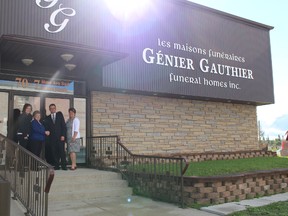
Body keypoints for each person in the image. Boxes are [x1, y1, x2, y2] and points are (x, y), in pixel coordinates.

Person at [44, 104, 67, 170]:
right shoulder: (47, 118)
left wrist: (63, 135)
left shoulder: (59, 115)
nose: (52, 109)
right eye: (51, 108)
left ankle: (64, 165)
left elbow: (63, 126)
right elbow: (46, 127)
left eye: (53, 108)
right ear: (49, 109)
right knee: (54, 152)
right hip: (52, 138)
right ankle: (57, 165)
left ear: (55, 108)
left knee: (62, 152)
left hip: (60, 137)